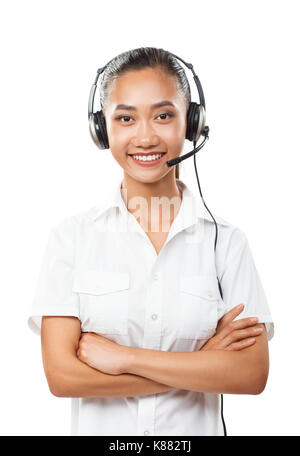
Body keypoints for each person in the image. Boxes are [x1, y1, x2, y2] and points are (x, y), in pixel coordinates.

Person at [27, 47, 274, 436]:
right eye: (125, 118)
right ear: (101, 128)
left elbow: (250, 373)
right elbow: (63, 377)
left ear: (192, 124)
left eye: (163, 115)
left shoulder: (226, 243)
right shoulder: (71, 238)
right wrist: (201, 365)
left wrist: (123, 357)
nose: (145, 136)